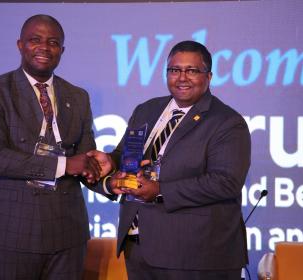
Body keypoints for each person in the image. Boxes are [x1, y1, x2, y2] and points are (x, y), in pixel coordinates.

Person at [90, 40, 251, 280]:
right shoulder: (147, 109)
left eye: (192, 70)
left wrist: (160, 191)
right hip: (139, 246)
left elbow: (225, 182)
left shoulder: (227, 122)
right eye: (174, 70)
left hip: (195, 255)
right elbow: (128, 154)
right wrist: (111, 162)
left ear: (209, 76)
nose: (182, 77)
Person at [0, 14, 105, 279]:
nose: (44, 47)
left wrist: (111, 180)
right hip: (12, 232)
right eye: (35, 40)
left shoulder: (78, 96)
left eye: (53, 42)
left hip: (68, 233)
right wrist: (65, 164)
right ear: (20, 45)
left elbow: (86, 158)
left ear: (62, 50)